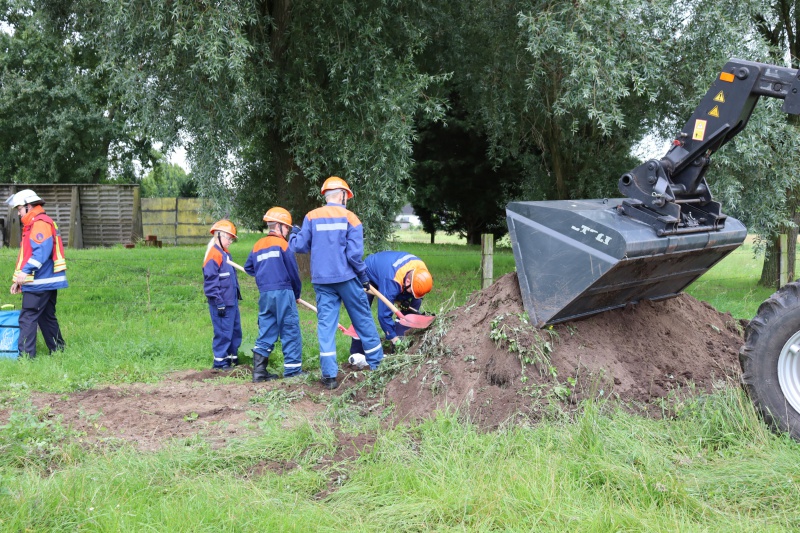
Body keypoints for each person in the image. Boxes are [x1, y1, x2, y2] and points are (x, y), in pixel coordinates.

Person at [289, 176, 384, 389]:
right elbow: (354, 255)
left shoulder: (311, 216)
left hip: (322, 281)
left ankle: (329, 376)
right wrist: (364, 277)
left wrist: (294, 235)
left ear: (326, 195)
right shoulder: (351, 218)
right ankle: (378, 365)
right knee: (363, 320)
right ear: (342, 196)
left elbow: (300, 246)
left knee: (326, 327)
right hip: (347, 278)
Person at [5, 189, 67, 358]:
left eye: (19, 209)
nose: (18, 213)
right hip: (46, 280)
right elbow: (29, 255)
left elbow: (41, 252)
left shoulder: (39, 223)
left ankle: (26, 357)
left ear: (29, 206)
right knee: (46, 317)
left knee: (28, 317)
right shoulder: (38, 222)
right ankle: (59, 351)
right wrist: (19, 280)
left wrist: (25, 272)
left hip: (39, 282)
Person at [244, 207, 304, 382]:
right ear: (278, 226)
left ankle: (259, 372)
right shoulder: (283, 245)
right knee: (290, 328)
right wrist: (296, 293)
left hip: (265, 293)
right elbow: (293, 273)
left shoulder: (257, 245)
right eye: (287, 228)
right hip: (283, 292)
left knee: (267, 328)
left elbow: (248, 268)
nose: (287, 232)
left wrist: (265, 275)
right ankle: (293, 372)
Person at [349, 251, 433, 362]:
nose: (412, 295)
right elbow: (383, 315)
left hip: (390, 272)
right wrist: (393, 337)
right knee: (361, 313)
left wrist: (406, 300)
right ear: (408, 281)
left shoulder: (421, 274)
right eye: (411, 292)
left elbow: (417, 293)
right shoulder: (392, 281)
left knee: (415, 302)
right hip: (369, 273)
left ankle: (401, 341)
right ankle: (357, 353)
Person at [202, 219, 242, 371]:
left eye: (232, 239)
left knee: (235, 331)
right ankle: (220, 363)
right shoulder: (213, 255)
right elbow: (211, 282)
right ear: (219, 236)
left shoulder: (226, 254)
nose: (230, 241)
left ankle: (232, 359)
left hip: (231, 301)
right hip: (221, 303)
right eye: (229, 238)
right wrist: (218, 302)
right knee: (223, 333)